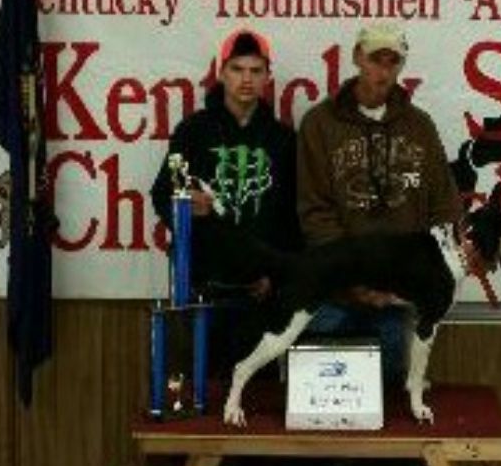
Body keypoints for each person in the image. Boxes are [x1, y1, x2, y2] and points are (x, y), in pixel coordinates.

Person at [297, 22, 461, 381]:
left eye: (393, 61)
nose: (383, 71)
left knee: (386, 400)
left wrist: (425, 279)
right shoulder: (319, 124)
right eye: (375, 59)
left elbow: (445, 208)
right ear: (358, 57)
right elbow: (314, 210)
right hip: (332, 296)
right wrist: (353, 279)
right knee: (321, 396)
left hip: (395, 301)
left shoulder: (420, 126)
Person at [151, 28, 300, 297]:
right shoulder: (192, 131)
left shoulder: (284, 139)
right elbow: (162, 193)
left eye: (256, 70)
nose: (246, 79)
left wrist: (278, 275)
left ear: (267, 77)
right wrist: (184, 204)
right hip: (205, 281)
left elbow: (294, 216)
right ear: (221, 73)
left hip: (264, 285)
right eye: (237, 69)